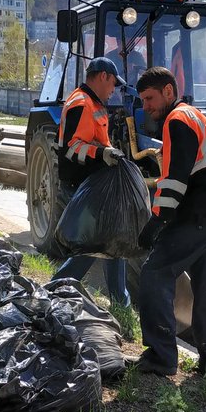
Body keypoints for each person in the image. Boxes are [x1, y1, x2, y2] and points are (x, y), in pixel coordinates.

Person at [133, 66, 206, 375]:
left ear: (169, 91)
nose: (146, 107)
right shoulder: (196, 116)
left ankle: (161, 357)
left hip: (202, 209)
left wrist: (156, 223)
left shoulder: (176, 120)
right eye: (142, 100)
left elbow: (176, 181)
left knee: (155, 272)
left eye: (150, 98)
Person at [53, 56, 130, 306]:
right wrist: (102, 154)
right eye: (113, 84)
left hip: (93, 187)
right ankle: (53, 291)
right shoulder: (81, 103)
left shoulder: (93, 103)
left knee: (113, 240)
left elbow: (95, 140)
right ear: (103, 76)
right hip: (81, 188)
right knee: (94, 246)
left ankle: (120, 301)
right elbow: (72, 148)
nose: (113, 90)